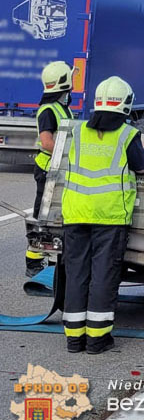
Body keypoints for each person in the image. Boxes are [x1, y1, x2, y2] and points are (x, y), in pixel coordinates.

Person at [61, 77, 144, 354]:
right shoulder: (127, 134)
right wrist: (141, 135)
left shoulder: (78, 132)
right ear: (126, 104)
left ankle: (74, 339)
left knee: (76, 274)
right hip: (109, 216)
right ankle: (97, 339)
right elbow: (142, 166)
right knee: (103, 275)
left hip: (75, 213)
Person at [28, 61, 74, 277]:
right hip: (48, 169)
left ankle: (51, 258)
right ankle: (33, 261)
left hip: (57, 169)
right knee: (42, 215)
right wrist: (67, 153)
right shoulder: (48, 110)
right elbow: (46, 141)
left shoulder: (60, 107)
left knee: (55, 215)